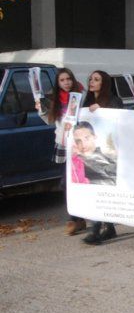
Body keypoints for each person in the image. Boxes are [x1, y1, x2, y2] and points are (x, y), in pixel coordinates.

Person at [35, 68, 87, 236]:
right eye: (62, 80)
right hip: (64, 144)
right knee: (66, 182)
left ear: (73, 79)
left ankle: (81, 217)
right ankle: (74, 218)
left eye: (68, 79)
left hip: (80, 145)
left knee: (82, 180)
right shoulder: (55, 100)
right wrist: (41, 109)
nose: (66, 82)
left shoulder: (81, 96)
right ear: (58, 83)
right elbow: (50, 120)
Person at [80, 70, 123, 245]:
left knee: (103, 189)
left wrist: (102, 111)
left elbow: (120, 119)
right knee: (95, 190)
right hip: (91, 154)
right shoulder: (87, 102)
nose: (92, 82)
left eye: (96, 79)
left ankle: (95, 230)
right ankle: (108, 227)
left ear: (104, 83)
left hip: (108, 154)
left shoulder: (113, 100)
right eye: (91, 79)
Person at [71, 122, 118, 186]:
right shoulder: (73, 162)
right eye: (78, 141)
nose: (83, 145)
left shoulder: (110, 161)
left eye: (86, 138)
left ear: (95, 137)